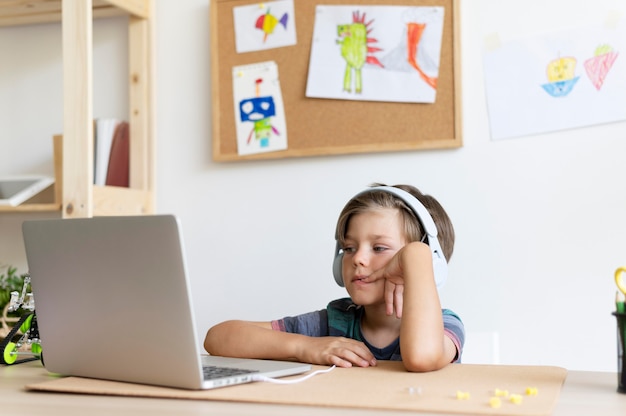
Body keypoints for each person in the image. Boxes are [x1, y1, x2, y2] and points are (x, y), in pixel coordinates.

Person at [204, 184, 464, 372]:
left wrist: (417, 256)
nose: (358, 259)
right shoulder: (337, 321)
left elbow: (421, 358)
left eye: (379, 248)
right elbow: (217, 338)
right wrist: (305, 347)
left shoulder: (445, 325)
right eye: (349, 248)